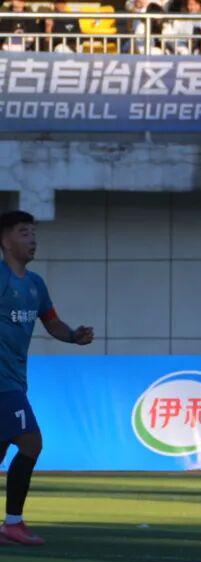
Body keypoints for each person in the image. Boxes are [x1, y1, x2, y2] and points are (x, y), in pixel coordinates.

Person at [0, 211, 95, 545]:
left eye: (33, 233)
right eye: (23, 232)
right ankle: (13, 523)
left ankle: (10, 524)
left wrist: (73, 336)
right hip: (2, 384)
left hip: (15, 378)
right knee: (31, 441)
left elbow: (51, 321)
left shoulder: (35, 284)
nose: (32, 239)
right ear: (5, 240)